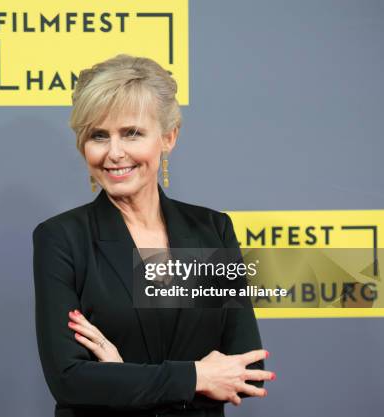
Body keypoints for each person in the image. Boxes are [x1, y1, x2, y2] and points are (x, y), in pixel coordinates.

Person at [32, 54, 275, 417]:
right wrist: (195, 376)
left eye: (132, 133)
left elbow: (246, 372)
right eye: (99, 136)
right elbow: (69, 379)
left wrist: (120, 374)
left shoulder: (211, 230)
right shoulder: (62, 239)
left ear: (168, 137)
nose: (114, 153)